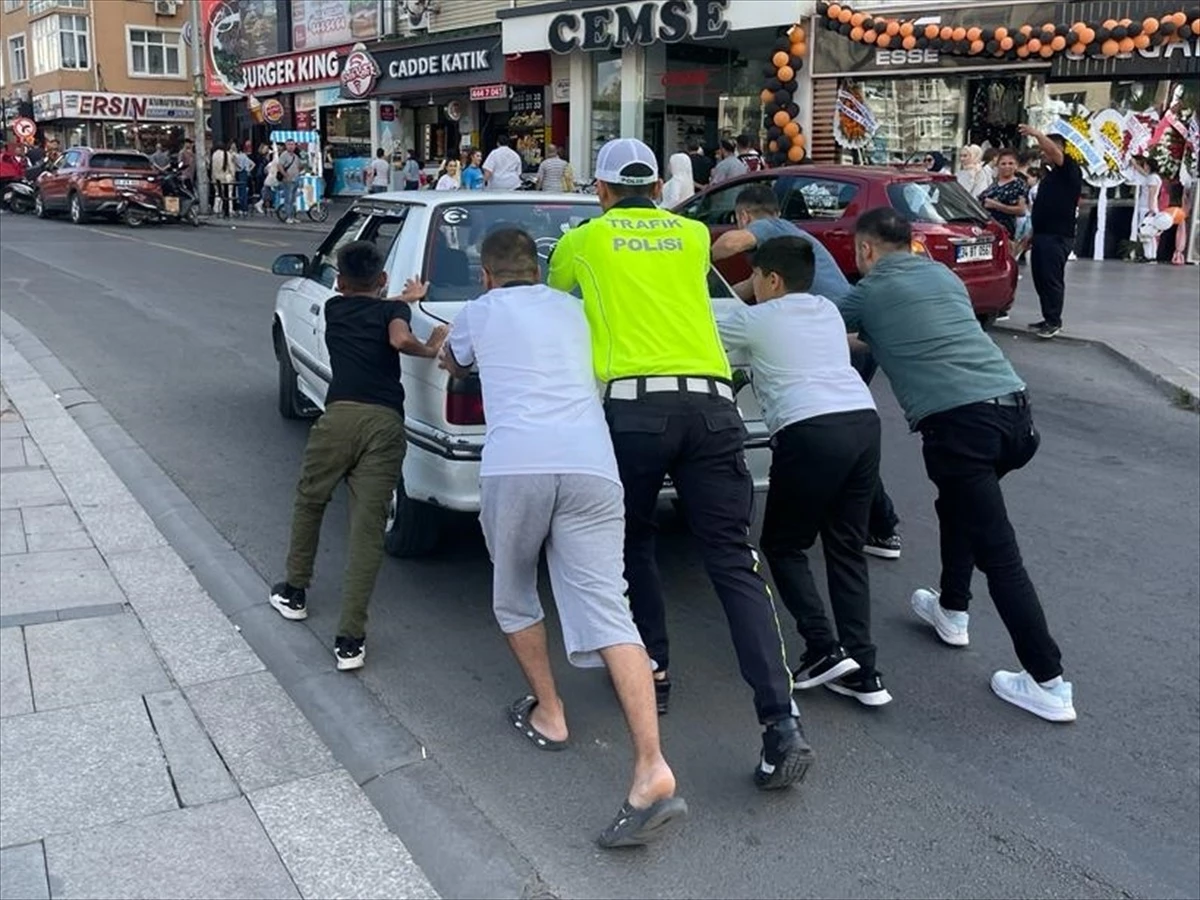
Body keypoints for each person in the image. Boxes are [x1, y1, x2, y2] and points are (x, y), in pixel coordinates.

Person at [547, 137, 814, 788]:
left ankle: (655, 669)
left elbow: (554, 301)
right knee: (734, 562)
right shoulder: (692, 236)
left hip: (635, 410)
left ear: (602, 190)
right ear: (657, 189)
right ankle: (781, 722)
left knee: (633, 540)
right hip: (713, 407)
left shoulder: (583, 240)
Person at [434, 227, 688, 849]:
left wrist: (450, 348)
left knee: (515, 593)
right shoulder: (576, 309)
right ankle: (652, 766)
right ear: (539, 270)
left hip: (517, 466)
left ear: (487, 275)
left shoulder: (479, 311)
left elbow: (454, 361)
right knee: (610, 610)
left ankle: (550, 714)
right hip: (591, 466)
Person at [837, 208, 1075, 724]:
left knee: (1000, 555)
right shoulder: (942, 276)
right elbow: (918, 333)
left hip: (961, 428)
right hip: (1015, 416)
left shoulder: (868, 292)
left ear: (866, 250)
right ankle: (951, 609)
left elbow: (822, 328)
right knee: (958, 507)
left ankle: (1048, 681)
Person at [715, 237, 890, 706]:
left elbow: (695, 329)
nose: (752, 285)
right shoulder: (826, 310)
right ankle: (864, 669)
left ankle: (822, 647)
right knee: (846, 546)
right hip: (863, 422)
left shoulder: (755, 319)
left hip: (810, 429)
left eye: (755, 277)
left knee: (784, 544)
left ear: (772, 279)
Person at [269, 241, 448, 670]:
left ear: (340, 283)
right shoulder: (392, 311)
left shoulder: (335, 309)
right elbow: (398, 336)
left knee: (311, 501)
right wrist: (429, 344)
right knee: (367, 529)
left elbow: (370, 304)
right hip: (383, 424)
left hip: (338, 418)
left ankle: (294, 591)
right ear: (382, 279)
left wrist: (400, 299)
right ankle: (350, 639)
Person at [710, 183, 903, 561]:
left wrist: (688, 256)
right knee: (842, 425)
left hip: (834, 334)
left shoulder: (770, 228)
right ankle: (874, 524)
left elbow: (729, 245)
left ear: (743, 216)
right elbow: (747, 287)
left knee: (829, 424)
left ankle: (880, 525)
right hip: (842, 334)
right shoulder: (784, 253)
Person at [1019, 124, 1083, 340]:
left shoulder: (1069, 168)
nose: (1043, 154)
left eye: (1045, 149)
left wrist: (1037, 134)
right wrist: (1031, 234)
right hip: (1042, 233)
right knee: (1040, 277)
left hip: (1057, 235)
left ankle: (1054, 321)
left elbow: (1055, 151)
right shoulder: (1051, 175)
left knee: (1051, 278)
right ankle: (1048, 317)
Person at [978, 148, 1029, 244]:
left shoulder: (1019, 184)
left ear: (1016, 166)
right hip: (986, 230)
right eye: (1003, 164)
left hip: (1005, 232)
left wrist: (997, 205)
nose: (1007, 166)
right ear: (997, 165)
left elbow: (1021, 210)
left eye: (1010, 163)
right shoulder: (993, 184)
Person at [1130, 155, 1163, 263]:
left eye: (1145, 165)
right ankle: (1151, 255)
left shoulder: (1152, 178)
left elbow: (1151, 195)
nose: (1144, 166)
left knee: (1146, 232)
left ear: (1148, 166)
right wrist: (1135, 164)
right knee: (1150, 234)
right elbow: (1143, 173)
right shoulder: (1153, 177)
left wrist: (1151, 209)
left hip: (1147, 208)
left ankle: (1148, 255)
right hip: (1149, 207)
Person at [277, 139, 302, 223]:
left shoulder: (296, 156)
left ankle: (293, 216)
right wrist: (285, 175)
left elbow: (299, 166)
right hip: (288, 181)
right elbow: (279, 166)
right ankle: (288, 217)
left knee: (293, 200)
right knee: (288, 199)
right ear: (286, 146)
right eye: (289, 144)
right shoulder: (284, 155)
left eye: (292, 144)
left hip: (295, 179)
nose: (291, 146)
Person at [211, 143, 235, 219]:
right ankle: (229, 209)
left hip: (216, 176)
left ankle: (217, 208)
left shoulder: (214, 155)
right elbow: (231, 167)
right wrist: (233, 175)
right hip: (226, 176)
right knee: (228, 194)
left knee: (218, 193)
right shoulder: (227, 154)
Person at [234, 142, 254, 216]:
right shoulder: (245, 156)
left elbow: (240, 167)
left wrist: (235, 163)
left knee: (241, 192)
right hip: (245, 173)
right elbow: (253, 164)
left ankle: (242, 208)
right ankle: (244, 208)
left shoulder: (240, 156)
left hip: (241, 173)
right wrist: (249, 170)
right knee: (244, 191)